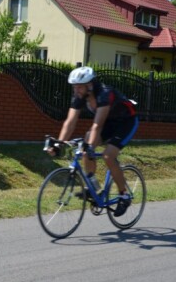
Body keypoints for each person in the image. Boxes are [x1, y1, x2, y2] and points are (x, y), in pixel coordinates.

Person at [47, 66, 138, 217]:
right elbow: (70, 122)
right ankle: (93, 187)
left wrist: (89, 146)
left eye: (79, 87)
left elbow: (97, 125)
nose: (76, 91)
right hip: (109, 123)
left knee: (108, 155)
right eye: (74, 87)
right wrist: (59, 144)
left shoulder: (104, 94)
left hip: (125, 122)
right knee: (85, 150)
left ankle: (124, 195)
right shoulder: (80, 97)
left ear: (89, 85)